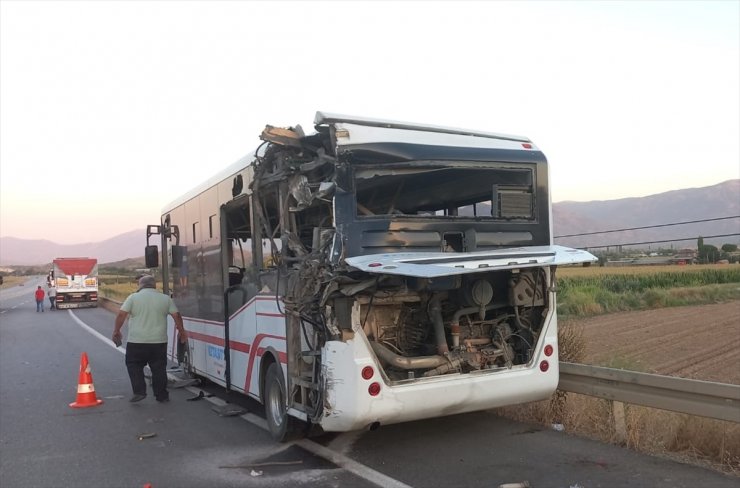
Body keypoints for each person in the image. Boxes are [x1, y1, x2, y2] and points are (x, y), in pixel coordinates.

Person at [112, 275, 187, 403]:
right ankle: (161, 395)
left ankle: (140, 391)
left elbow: (121, 314)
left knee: (133, 365)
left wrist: (117, 331)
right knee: (158, 368)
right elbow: (176, 315)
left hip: (136, 341)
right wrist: (181, 331)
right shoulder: (165, 299)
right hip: (159, 341)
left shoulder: (133, 298)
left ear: (140, 286)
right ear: (154, 286)